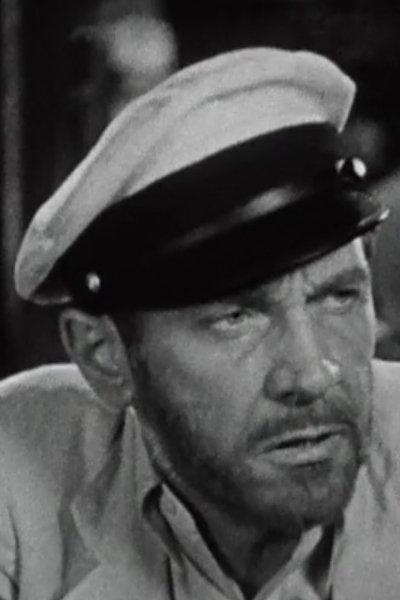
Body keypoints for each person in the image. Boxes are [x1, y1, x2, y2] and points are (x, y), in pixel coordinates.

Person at [0, 47, 399, 600]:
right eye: (235, 318)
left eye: (339, 297)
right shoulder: (17, 466)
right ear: (104, 355)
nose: (312, 374)